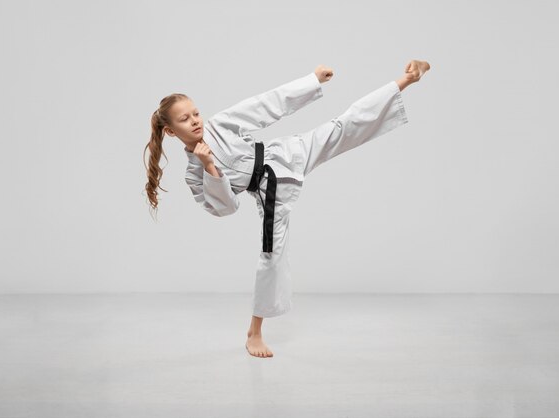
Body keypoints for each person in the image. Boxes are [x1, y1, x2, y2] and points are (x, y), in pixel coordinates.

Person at [144, 60, 431, 358]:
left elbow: (264, 105)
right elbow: (226, 208)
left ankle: (406, 80)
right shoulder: (194, 174)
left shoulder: (219, 125)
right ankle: (254, 333)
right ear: (170, 131)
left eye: (195, 113)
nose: (194, 121)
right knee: (271, 256)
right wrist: (209, 167)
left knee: (343, 126)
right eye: (184, 119)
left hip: (284, 155)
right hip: (271, 194)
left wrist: (313, 81)